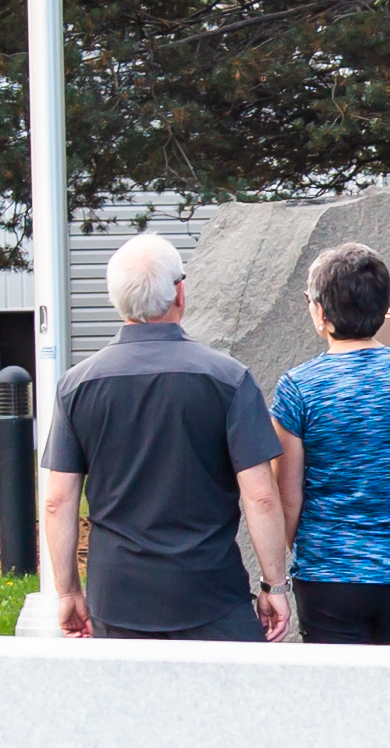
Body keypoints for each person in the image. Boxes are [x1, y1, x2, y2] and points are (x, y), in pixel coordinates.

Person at [40, 233, 291, 640]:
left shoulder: (76, 386)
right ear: (180, 292)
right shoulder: (229, 379)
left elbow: (57, 502)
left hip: (117, 596)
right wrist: (274, 584)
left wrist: (67, 590)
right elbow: (260, 495)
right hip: (210, 593)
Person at [269, 242, 390, 644]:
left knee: (337, 697)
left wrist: (298, 554)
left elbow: (289, 496)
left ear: (321, 313)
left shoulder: (298, 387)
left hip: (329, 570)